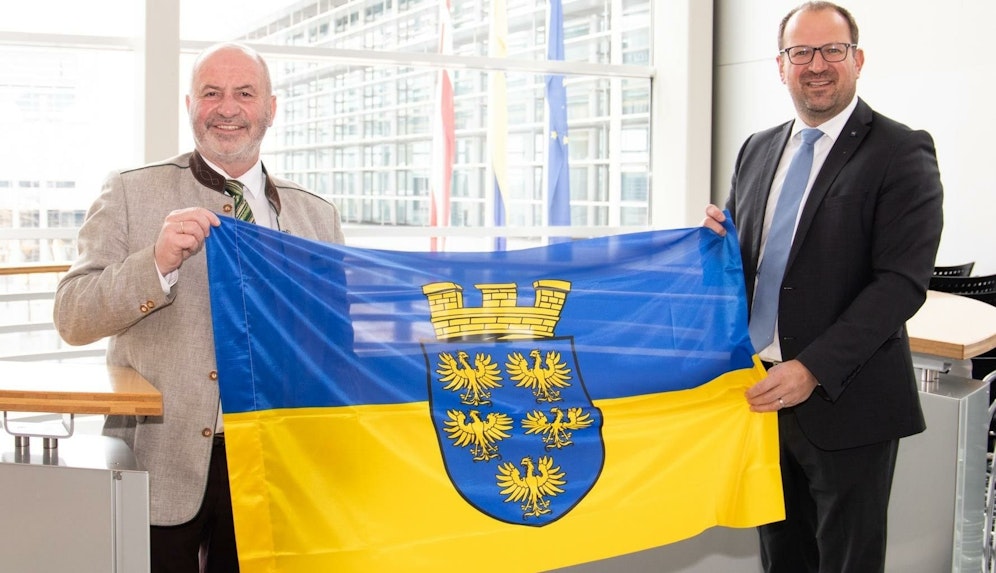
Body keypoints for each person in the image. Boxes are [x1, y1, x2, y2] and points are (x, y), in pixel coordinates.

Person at [53, 43, 344, 572]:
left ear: (271, 109)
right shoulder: (129, 192)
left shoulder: (316, 217)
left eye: (244, 93)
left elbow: (333, 343)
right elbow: (72, 316)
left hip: (275, 469)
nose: (227, 108)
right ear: (190, 104)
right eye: (212, 93)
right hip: (159, 461)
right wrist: (156, 263)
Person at [703, 3, 942, 572]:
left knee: (846, 562)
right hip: (760, 398)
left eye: (832, 50)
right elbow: (748, 265)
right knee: (780, 558)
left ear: (857, 59)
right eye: (800, 52)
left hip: (846, 400)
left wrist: (811, 368)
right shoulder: (757, 147)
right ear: (780, 66)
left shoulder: (900, 150)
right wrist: (712, 246)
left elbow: (899, 284)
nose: (817, 65)